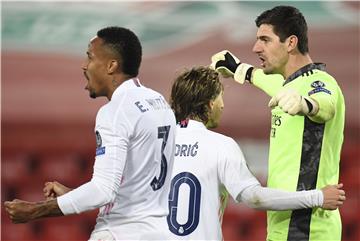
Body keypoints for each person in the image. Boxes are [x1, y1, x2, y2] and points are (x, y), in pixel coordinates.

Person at [4, 26, 176, 241]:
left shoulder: (114, 112)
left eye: (90, 57)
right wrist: (73, 194)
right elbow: (136, 184)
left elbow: (103, 190)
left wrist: (34, 210)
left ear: (111, 65)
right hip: (160, 233)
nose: (84, 66)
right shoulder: (159, 102)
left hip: (119, 233)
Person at [211, 5, 345, 241]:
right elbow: (261, 78)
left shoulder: (321, 82)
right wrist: (236, 68)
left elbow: (325, 105)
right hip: (282, 229)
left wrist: (305, 104)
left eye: (265, 39)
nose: (256, 47)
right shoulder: (286, 85)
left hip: (308, 229)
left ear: (291, 43)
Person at [166, 66, 345, 241]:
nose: (223, 105)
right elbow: (254, 198)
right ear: (210, 104)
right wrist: (318, 196)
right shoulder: (221, 145)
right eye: (221, 98)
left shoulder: (158, 144)